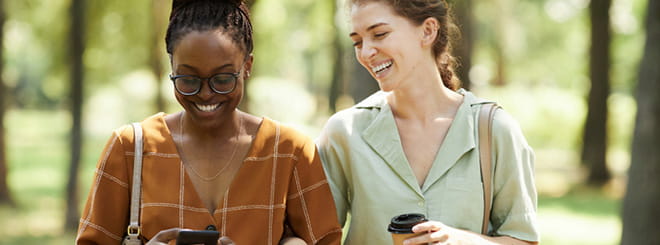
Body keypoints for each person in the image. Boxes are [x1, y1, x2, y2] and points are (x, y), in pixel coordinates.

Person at [75, 0, 341, 244]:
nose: (205, 94)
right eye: (188, 80)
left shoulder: (291, 151)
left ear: (247, 66)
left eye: (223, 79)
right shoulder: (129, 148)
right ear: (172, 67)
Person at [316, 0, 539, 244]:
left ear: (428, 31)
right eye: (357, 42)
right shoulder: (344, 133)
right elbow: (317, 237)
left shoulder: (494, 130)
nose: (366, 52)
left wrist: (461, 240)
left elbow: (523, 239)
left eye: (379, 34)